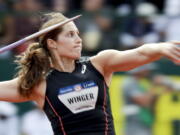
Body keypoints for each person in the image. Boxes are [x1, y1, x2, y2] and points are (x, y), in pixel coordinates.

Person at [0, 12, 179, 135]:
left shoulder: (100, 64)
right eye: (70, 35)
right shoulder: (40, 84)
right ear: (52, 43)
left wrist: (160, 47)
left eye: (78, 34)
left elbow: (140, 53)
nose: (79, 40)